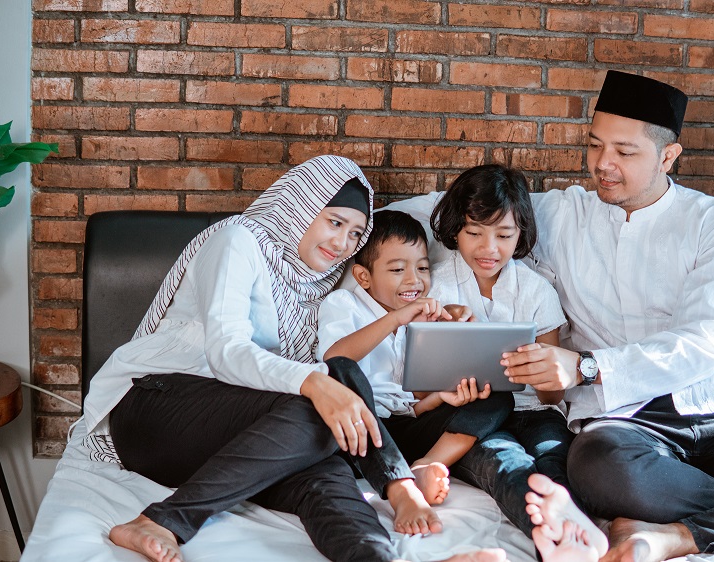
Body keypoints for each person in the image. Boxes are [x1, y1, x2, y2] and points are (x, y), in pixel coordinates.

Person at [80, 155, 506, 562]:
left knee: (323, 476)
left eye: (355, 234)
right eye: (334, 222)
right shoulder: (238, 239)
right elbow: (227, 350)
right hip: (154, 407)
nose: (342, 243)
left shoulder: (313, 284)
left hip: (230, 432)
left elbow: (382, 301)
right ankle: (397, 486)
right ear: (302, 206)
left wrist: (442, 321)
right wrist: (315, 382)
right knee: (333, 384)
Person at [496, 70, 714, 562]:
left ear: (668, 156)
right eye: (595, 146)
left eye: (625, 152)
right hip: (622, 424)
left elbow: (703, 343)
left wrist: (586, 365)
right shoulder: (558, 216)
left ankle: (677, 534)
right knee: (601, 471)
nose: (603, 165)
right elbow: (463, 215)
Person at [424, 164, 608, 557]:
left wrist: (542, 372)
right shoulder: (435, 287)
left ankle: (579, 535)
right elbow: (417, 382)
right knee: (506, 465)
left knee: (556, 462)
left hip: (534, 412)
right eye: (474, 233)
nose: (489, 249)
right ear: (456, 229)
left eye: (504, 235)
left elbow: (551, 396)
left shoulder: (536, 291)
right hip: (473, 417)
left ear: (521, 234)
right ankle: (555, 542)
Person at [317, 209, 514, 508]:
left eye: (422, 268)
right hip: (364, 434)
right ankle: (395, 476)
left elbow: (413, 400)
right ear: (363, 277)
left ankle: (427, 464)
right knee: (344, 370)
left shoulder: (421, 317)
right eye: (398, 270)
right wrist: (396, 319)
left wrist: (440, 394)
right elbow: (335, 360)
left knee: (499, 396)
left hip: (408, 430)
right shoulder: (345, 303)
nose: (414, 281)